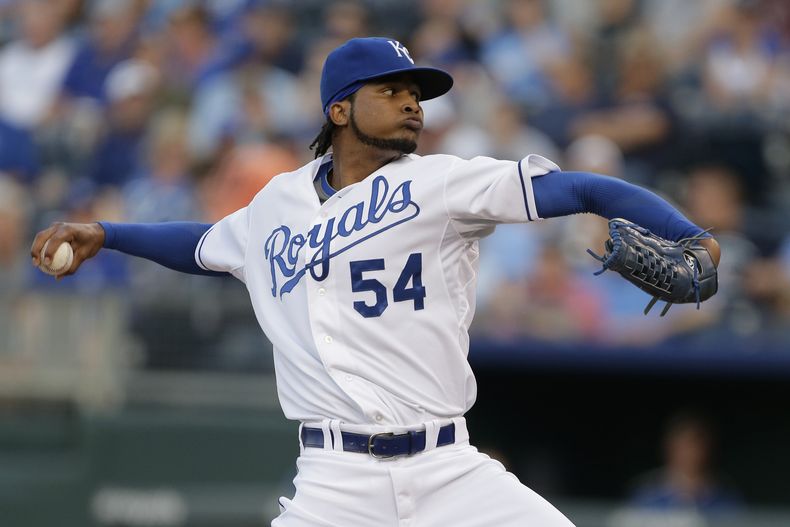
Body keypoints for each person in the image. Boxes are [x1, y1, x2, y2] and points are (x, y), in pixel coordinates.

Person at [31, 37, 720, 526]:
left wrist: (691, 235)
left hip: (451, 471)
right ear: (339, 110)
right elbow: (208, 244)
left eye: (415, 92)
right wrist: (111, 234)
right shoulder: (275, 204)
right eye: (391, 91)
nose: (412, 103)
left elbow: (579, 185)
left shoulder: (441, 182)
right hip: (335, 484)